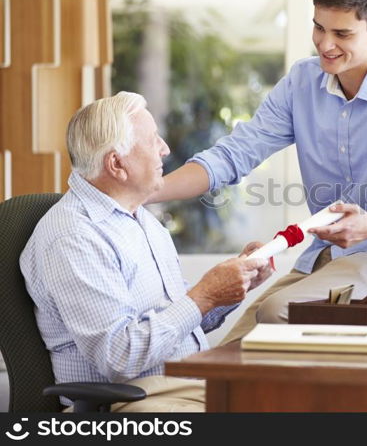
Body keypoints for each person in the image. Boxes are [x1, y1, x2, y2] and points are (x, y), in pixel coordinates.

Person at [150, 0, 367, 343]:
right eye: (319, 27)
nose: (325, 45)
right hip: (324, 261)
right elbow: (234, 155)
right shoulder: (301, 83)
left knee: (277, 313)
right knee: (233, 347)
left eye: (342, 34)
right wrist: (149, 191)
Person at [20, 92, 272, 412]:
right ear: (117, 164)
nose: (165, 149)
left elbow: (179, 323)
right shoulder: (74, 236)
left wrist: (231, 286)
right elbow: (119, 356)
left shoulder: (141, 219)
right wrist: (205, 295)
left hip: (183, 384)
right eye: (153, 140)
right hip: (130, 401)